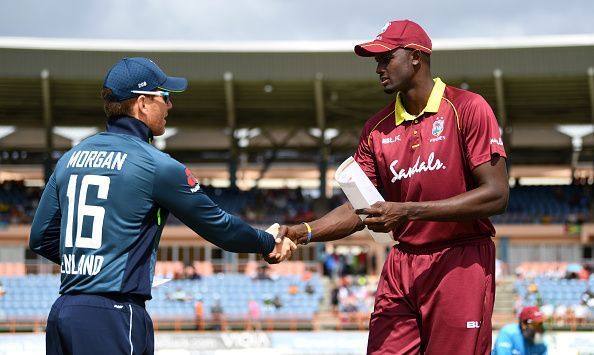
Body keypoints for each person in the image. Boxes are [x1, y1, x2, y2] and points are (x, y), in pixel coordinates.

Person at [29, 57, 296, 355]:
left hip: (64, 311)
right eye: (164, 97)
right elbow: (219, 227)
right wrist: (267, 241)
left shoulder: (70, 159)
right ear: (142, 103)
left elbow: (41, 238)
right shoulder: (156, 165)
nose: (170, 106)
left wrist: (99, 266)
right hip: (115, 316)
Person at [278, 19, 508, 354]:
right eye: (376, 61)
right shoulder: (376, 129)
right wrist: (302, 232)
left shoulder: (468, 108)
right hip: (402, 263)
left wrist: (406, 211)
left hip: (460, 259)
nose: (378, 68)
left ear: (416, 56)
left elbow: (497, 194)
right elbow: (360, 207)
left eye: (386, 58)